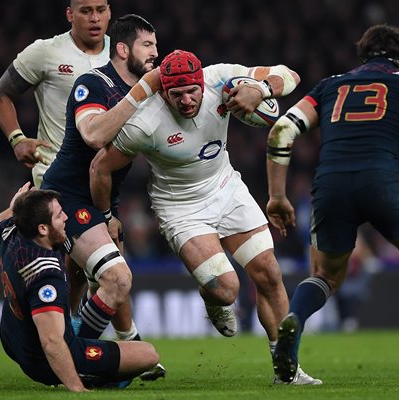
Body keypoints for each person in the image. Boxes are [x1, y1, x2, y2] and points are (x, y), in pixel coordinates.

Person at [265, 24, 399, 389]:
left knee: (324, 275)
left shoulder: (330, 85)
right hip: (383, 180)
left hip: (330, 184)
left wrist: (277, 196)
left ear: (362, 55)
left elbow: (281, 132)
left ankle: (295, 320)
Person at [89, 49, 320, 385]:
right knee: (227, 289)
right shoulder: (145, 122)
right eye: (176, 94)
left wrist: (261, 89)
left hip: (226, 187)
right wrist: (107, 215)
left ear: (201, 82)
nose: (185, 100)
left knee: (269, 273)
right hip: (181, 208)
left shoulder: (220, 78)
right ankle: (213, 300)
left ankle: (287, 371)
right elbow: (100, 167)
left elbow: (291, 74)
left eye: (191, 91)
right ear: (163, 92)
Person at [41, 14, 165, 381]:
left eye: (157, 45)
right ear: (122, 49)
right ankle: (75, 356)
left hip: (101, 201)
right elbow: (93, 134)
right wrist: (140, 92)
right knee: (117, 278)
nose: (155, 53)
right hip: (66, 198)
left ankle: (123, 345)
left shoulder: (149, 93)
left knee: (89, 280)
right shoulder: (92, 83)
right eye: (148, 45)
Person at [0, 0, 111, 331]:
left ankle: (66, 331)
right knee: (98, 262)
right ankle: (75, 335)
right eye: (86, 10)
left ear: (110, 12)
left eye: (101, 9)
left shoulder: (123, 54)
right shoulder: (45, 52)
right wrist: (17, 138)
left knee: (84, 267)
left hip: (103, 176)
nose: (95, 17)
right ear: (70, 14)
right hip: (55, 176)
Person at [0, 183, 159, 392]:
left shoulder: (12, 229)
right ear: (43, 228)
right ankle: (85, 374)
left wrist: (13, 208)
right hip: (44, 360)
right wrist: (76, 387)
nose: (66, 218)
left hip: (13, 339)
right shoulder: (44, 275)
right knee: (148, 355)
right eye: (59, 215)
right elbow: (52, 342)